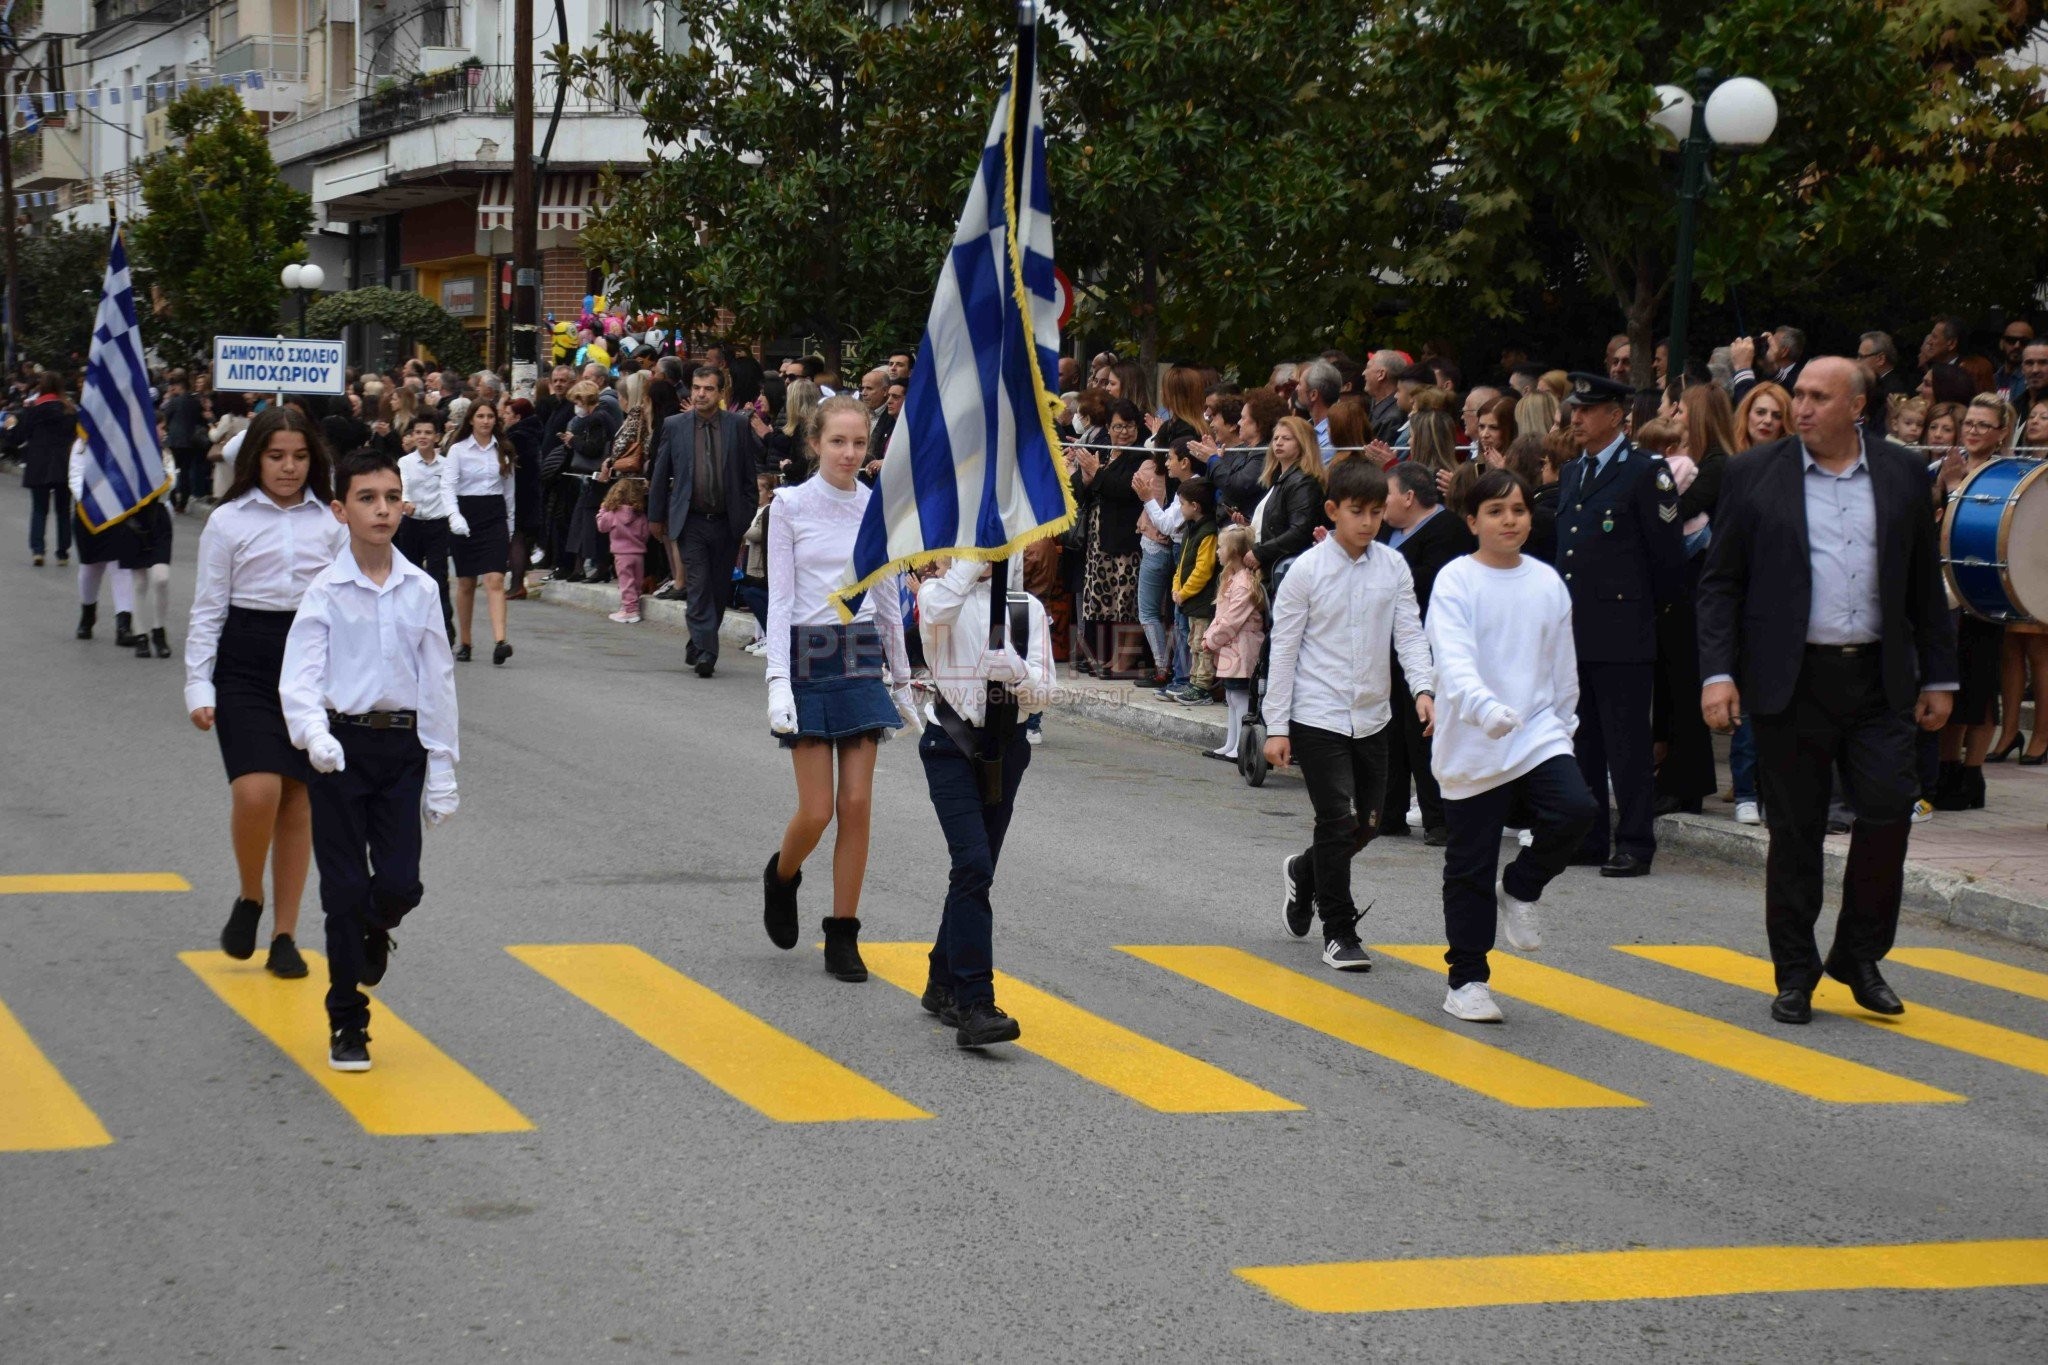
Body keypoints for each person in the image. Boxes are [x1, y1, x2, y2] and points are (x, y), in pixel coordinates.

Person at [1698, 357, 1958, 1025]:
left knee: (1887, 811)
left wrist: (1939, 675)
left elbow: (1924, 584)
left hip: (1879, 677)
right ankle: (1794, 971)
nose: (1802, 407)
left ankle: (1859, 954)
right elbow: (1721, 582)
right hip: (1793, 679)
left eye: (1818, 396)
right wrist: (1719, 672)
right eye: (1799, 395)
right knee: (1796, 831)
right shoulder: (1756, 473)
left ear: (1858, 407)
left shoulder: (1901, 473)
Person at [279, 448, 460, 1072]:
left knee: (398, 885)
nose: (381, 510)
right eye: (366, 498)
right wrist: (313, 734)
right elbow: (299, 677)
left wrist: (441, 765)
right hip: (338, 752)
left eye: (390, 497)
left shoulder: (422, 587)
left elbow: (437, 681)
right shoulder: (325, 592)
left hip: (401, 751)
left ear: (404, 505)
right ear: (340, 510)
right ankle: (347, 1022)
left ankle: (376, 927)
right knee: (343, 890)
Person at [1427, 468, 1600, 1022]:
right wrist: (1483, 709)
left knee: (1576, 809)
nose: (1510, 520)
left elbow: (1562, 666)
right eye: (1497, 511)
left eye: (1519, 510)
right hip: (1474, 741)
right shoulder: (1455, 581)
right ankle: (1468, 980)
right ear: (1472, 520)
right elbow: (1452, 661)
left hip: (1536, 733)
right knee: (1469, 865)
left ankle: (1522, 886)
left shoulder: (1547, 582)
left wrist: (1564, 726)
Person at [185, 406, 347, 980]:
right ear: (255, 457)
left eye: (300, 457)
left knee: (299, 800)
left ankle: (285, 935)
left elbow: (346, 605)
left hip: (308, 660)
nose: (288, 467)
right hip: (244, 662)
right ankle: (250, 896)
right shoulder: (228, 521)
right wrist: (197, 683)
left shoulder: (331, 522)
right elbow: (209, 609)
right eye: (277, 456)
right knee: (257, 792)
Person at [761, 395, 917, 982]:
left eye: (859, 443)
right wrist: (778, 680)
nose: (850, 453)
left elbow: (885, 600)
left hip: (858, 655)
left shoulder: (877, 510)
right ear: (814, 444)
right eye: (838, 442)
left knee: (856, 805)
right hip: (806, 654)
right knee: (817, 810)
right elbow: (778, 603)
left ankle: (843, 935)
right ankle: (781, 876)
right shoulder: (789, 506)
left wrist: (900, 679)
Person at [1264, 458, 1436, 972]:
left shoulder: (1393, 567)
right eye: (1356, 511)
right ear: (1333, 511)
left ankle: (1303, 870)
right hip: (1318, 717)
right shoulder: (1306, 572)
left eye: (1376, 512)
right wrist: (1277, 726)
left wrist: (1423, 688)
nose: (1367, 522)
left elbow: (1409, 633)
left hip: (1374, 716)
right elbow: (1284, 650)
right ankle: (1339, 932)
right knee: (1337, 820)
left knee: (1369, 824)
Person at [913, 553, 1057, 1047]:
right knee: (973, 865)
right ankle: (974, 1001)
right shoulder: (936, 595)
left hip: (1006, 749)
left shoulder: (1026, 609)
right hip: (950, 746)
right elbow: (935, 618)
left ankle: (940, 980)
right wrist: (968, 565)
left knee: (977, 873)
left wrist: (1020, 676)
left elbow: (1045, 695)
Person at [1552, 372, 1684, 878]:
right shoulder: (1572, 473)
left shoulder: (1646, 472)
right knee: (1581, 737)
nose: (1576, 418)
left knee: (1627, 743)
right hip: (1575, 630)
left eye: (1587, 410)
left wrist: (1646, 622)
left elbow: (1666, 561)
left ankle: (1634, 840)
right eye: (1575, 410)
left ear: (1616, 415)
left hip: (1624, 630)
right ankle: (1588, 837)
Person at [1930, 393, 2020, 809]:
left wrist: (1953, 490)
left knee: (1980, 693)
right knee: (1951, 684)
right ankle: (1947, 769)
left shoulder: (2007, 475)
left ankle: (1972, 776)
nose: (1974, 430)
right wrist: (1942, 487)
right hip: (1946, 594)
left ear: (2002, 432)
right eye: (1970, 423)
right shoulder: (1946, 464)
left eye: (1984, 425)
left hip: (1986, 595)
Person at [1377, 461, 1474, 844]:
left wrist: (1381, 576)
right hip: (1389, 643)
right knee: (1391, 730)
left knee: (1425, 730)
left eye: (1387, 495)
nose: (1381, 505)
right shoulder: (1388, 530)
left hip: (1429, 643)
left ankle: (1440, 818)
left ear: (1409, 497)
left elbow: (1430, 583)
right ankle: (1390, 812)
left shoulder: (1447, 529)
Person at [649, 365, 763, 677]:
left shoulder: (737, 426)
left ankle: (698, 643)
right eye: (697, 387)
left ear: (720, 392)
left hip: (727, 522)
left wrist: (743, 518)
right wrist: (655, 516)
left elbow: (748, 478)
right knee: (698, 585)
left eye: (708, 388)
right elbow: (660, 473)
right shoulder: (674, 425)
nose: (700, 394)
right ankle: (707, 654)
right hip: (691, 521)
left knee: (717, 588)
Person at [445, 397, 516, 665]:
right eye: (481, 416)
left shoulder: (504, 450)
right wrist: (454, 515)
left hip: (494, 515)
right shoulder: (458, 450)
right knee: (466, 582)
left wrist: (509, 527)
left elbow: (510, 493)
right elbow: (448, 487)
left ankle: (500, 641)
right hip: (466, 512)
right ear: (472, 420)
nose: (486, 421)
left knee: (495, 579)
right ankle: (465, 641)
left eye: (490, 417)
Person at [1202, 525, 1266, 761]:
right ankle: (1231, 742)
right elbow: (1222, 617)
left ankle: (1241, 746)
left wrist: (1211, 639)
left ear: (1235, 553)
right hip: (1233, 646)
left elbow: (1232, 620)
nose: (1218, 551)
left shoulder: (1244, 583)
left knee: (1239, 696)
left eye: (1221, 547)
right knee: (1231, 695)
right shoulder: (1232, 579)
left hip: (1242, 647)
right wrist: (1210, 637)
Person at [396, 413, 457, 643]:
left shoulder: (446, 464)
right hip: (412, 525)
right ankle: (410, 626)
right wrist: (404, 502)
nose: (422, 437)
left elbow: (451, 490)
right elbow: (400, 487)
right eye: (418, 432)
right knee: (410, 576)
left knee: (438, 577)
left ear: (437, 437)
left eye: (428, 433)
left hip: (438, 525)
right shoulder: (405, 462)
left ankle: (445, 628)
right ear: (412, 436)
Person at [10, 374, 75, 566]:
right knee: (63, 510)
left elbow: (20, 436)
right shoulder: (69, 410)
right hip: (63, 464)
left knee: (39, 509)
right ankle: (62, 552)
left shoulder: (32, 410)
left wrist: (10, 427)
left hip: (38, 464)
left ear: (42, 387)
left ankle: (38, 550)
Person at [1168, 477, 1219, 705]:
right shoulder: (1191, 528)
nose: (1180, 508)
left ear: (1195, 506)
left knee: (1203, 644)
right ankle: (1194, 680)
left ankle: (1202, 686)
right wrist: (1176, 587)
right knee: (1193, 642)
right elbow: (1182, 565)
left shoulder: (1207, 532)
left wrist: (1184, 592)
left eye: (1182, 503)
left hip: (1202, 599)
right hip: (1189, 599)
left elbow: (1203, 569)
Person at [596, 477, 650, 625]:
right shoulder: (641, 515)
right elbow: (645, 534)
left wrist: (603, 509)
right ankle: (632, 606)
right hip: (638, 554)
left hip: (621, 554)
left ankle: (630, 610)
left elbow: (601, 526)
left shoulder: (612, 514)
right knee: (636, 582)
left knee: (626, 582)